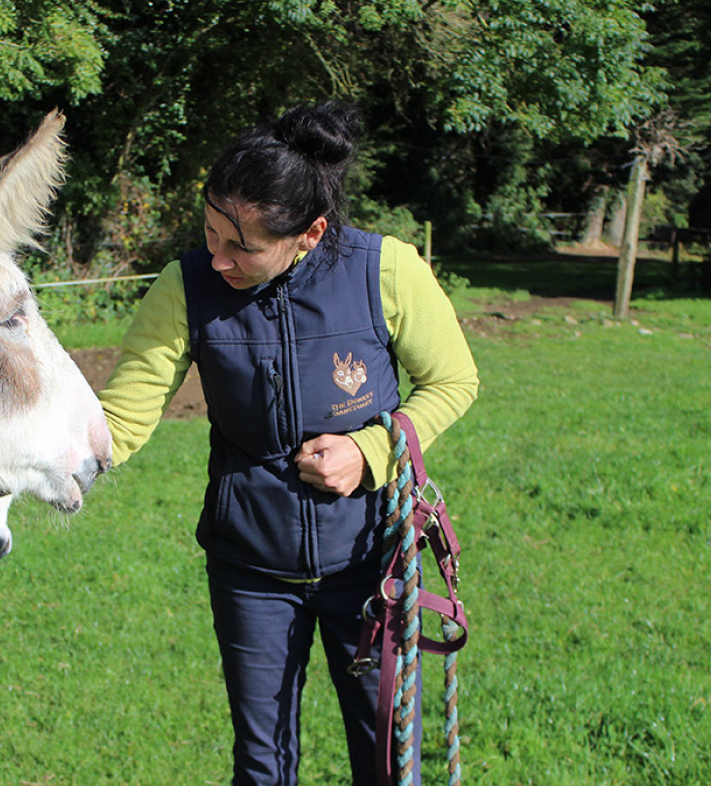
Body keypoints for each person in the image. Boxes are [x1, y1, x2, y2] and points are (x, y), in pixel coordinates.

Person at [99, 101, 479, 786]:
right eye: (210, 233)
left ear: (310, 234)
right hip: (251, 572)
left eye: (241, 246)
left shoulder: (385, 270)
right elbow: (118, 425)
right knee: (262, 765)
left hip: (372, 567)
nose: (217, 258)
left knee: (388, 761)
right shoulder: (185, 288)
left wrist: (369, 452)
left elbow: (453, 380)